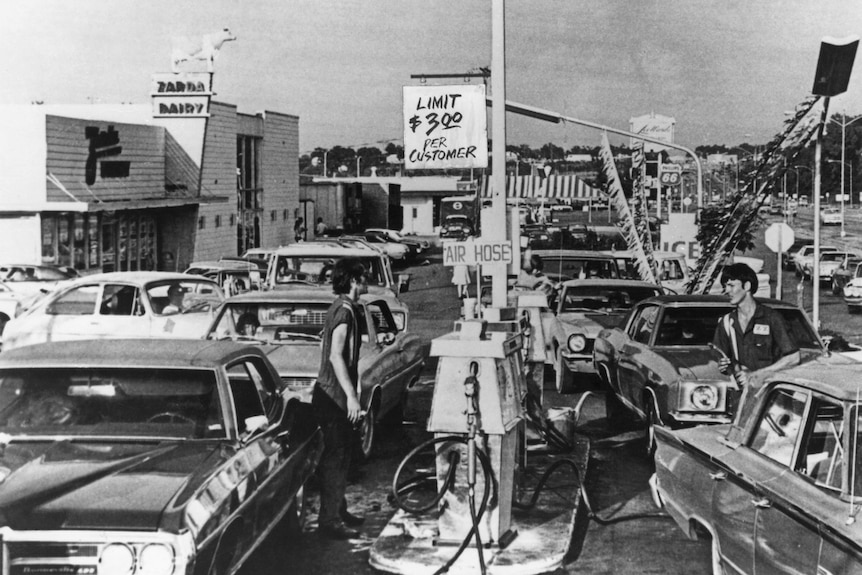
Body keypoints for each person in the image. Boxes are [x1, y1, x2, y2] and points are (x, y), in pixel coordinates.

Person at [312, 257, 367, 540]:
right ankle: (329, 521)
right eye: (364, 277)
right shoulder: (345, 313)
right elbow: (336, 356)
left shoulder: (341, 307)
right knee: (335, 459)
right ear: (354, 280)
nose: (366, 281)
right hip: (332, 397)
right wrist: (352, 398)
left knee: (343, 456)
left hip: (332, 396)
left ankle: (338, 509)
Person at [712, 263, 800, 437]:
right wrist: (724, 366)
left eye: (731, 285)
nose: (726, 290)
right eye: (725, 286)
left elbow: (793, 357)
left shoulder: (772, 318)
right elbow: (724, 360)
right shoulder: (726, 322)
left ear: (747, 286)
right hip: (742, 402)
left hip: (773, 402)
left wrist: (759, 374)